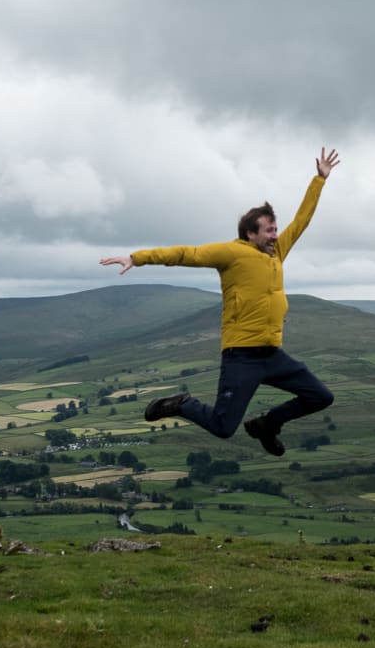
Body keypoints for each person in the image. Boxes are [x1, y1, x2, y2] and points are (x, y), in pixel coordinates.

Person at [99, 147, 340, 456]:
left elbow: (302, 220)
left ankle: (267, 425)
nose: (276, 236)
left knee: (320, 396)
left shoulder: (277, 253)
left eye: (276, 229)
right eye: (269, 230)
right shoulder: (231, 253)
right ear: (250, 234)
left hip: (273, 355)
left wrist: (319, 179)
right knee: (223, 427)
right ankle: (182, 404)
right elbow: (187, 254)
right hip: (242, 358)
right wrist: (136, 257)